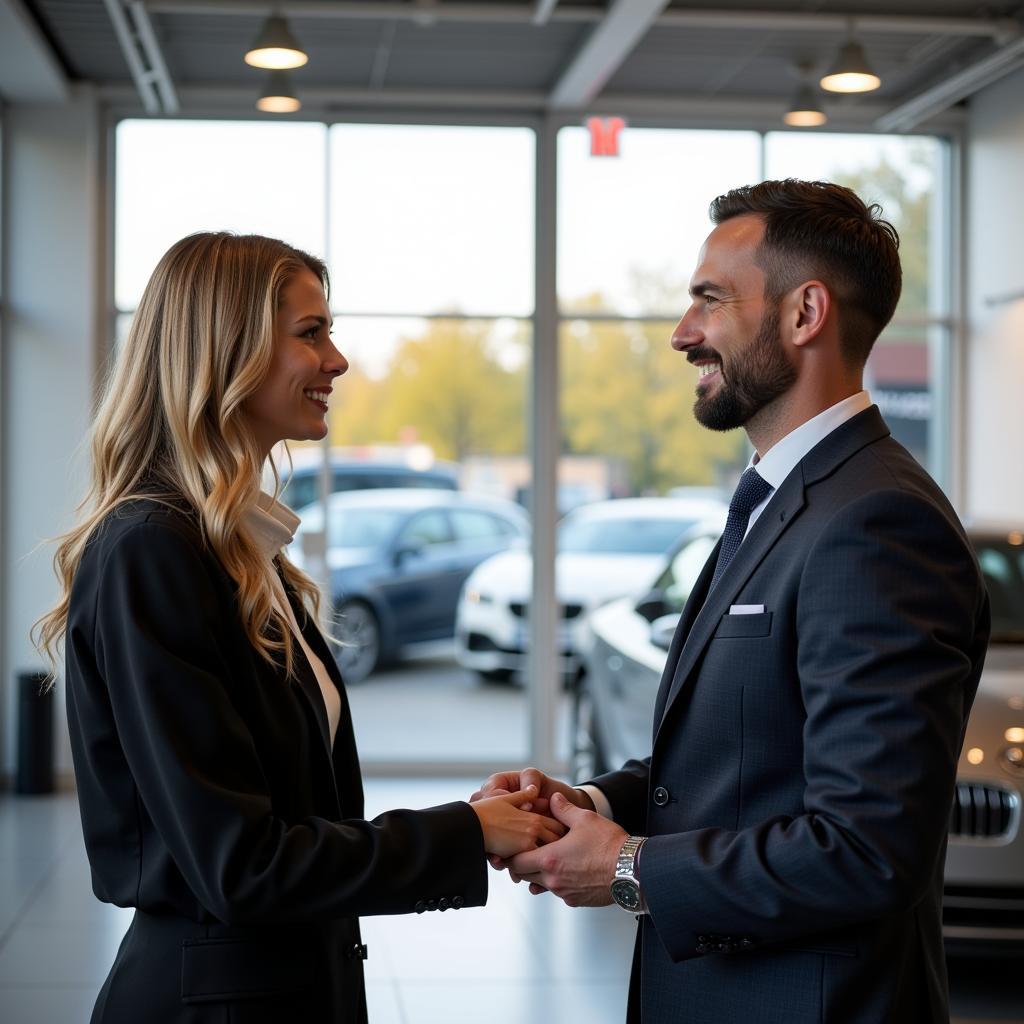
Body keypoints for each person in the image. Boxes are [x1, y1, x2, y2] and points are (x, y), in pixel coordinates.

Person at [474, 180, 990, 1023]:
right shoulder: (786, 498)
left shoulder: (878, 522)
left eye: (709, 301)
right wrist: (594, 809)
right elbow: (751, 762)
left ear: (804, 313)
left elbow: (868, 848)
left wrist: (631, 868)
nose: (684, 333)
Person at [34, 231, 564, 1024]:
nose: (339, 360)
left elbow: (293, 822)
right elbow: (240, 865)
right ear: (226, 348)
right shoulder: (153, 549)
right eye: (310, 333)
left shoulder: (237, 548)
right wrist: (465, 833)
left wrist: (477, 823)